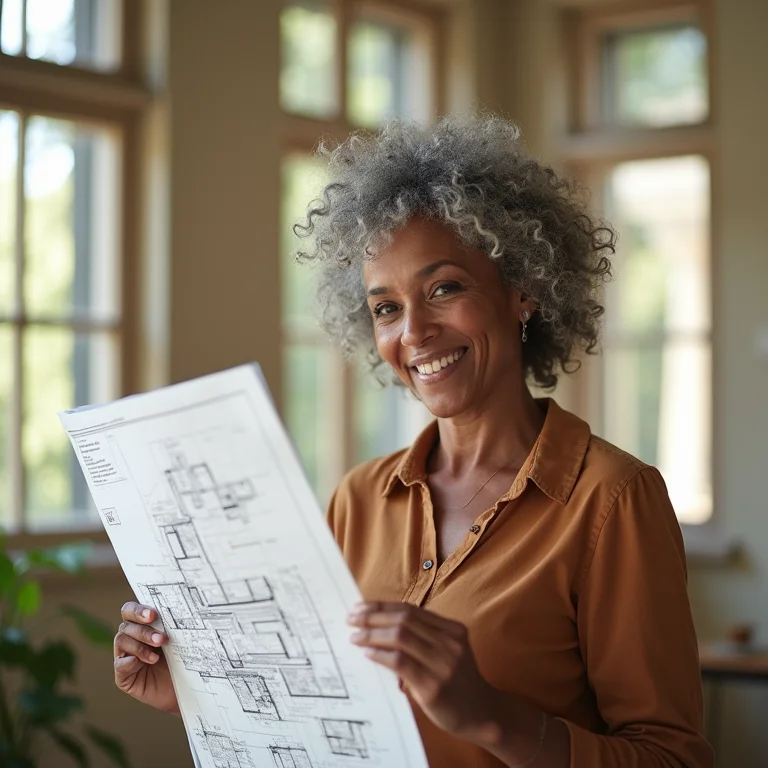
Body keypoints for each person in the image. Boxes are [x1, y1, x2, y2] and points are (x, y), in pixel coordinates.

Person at [114, 116, 713, 767]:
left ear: (524, 292)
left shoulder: (612, 500)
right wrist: (196, 693)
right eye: (386, 308)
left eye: (445, 288)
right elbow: (324, 723)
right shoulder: (358, 500)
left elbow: (672, 758)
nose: (416, 332)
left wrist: (489, 716)